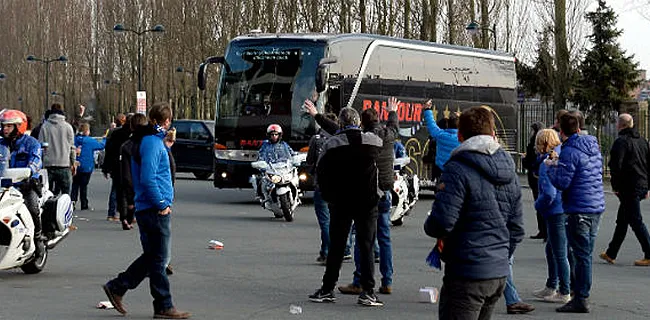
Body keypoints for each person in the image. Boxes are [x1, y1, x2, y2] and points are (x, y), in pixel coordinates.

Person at [424, 106, 525, 320]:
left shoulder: (457, 168)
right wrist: (500, 255)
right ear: (493, 133)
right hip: (497, 271)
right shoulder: (509, 168)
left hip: (467, 269)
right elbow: (516, 228)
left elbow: (442, 222)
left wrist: (430, 226)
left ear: (460, 135)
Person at [102, 102, 190, 319]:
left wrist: (167, 145)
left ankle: (118, 287)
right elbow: (149, 177)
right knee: (158, 260)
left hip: (149, 206)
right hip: (153, 208)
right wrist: (162, 204)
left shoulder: (151, 140)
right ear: (167, 121)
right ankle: (162, 305)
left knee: (153, 257)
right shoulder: (151, 142)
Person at [309, 107, 384, 307]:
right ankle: (368, 291)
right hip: (367, 202)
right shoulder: (372, 141)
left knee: (337, 247)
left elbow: (321, 173)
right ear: (359, 123)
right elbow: (380, 140)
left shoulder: (331, 144)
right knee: (366, 245)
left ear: (341, 124)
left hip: (341, 202)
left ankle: (327, 289)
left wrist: (329, 197)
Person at [338, 97, 399, 296]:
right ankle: (387, 281)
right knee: (384, 237)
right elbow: (394, 127)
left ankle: (359, 280)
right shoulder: (389, 135)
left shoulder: (364, 138)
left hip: (369, 192)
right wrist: (392, 112)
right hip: (387, 191)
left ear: (362, 123)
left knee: (363, 238)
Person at [546, 112, 605, 313]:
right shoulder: (594, 147)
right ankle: (581, 293)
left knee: (580, 256)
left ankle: (581, 297)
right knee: (585, 254)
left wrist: (550, 167)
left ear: (561, 132)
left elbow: (562, 181)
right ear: (579, 128)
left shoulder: (570, 151)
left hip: (579, 207)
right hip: (595, 205)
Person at [599, 113, 650, 267]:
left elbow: (616, 166)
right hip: (641, 184)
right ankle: (611, 253)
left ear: (619, 125)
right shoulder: (643, 141)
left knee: (635, 220)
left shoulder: (621, 142)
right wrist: (647, 186)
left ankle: (649, 252)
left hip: (629, 186)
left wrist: (616, 186)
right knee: (623, 220)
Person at [0, 110, 46, 260]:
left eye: (9, 126)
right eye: (3, 126)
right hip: (4, 185)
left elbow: (36, 161)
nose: (5, 129)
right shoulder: (1, 144)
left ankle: (38, 238)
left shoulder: (31, 143)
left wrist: (28, 171)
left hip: (26, 184)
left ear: (19, 126)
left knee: (32, 207)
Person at [532, 129, 571, 304]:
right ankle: (552, 285)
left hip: (555, 210)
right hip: (564, 207)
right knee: (553, 249)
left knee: (559, 252)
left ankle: (564, 290)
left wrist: (537, 205)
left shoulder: (546, 163)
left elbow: (549, 193)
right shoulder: (562, 155)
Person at [306, 112, 338, 264]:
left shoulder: (316, 139)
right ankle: (340, 250)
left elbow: (310, 161)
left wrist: (315, 173)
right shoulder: (340, 139)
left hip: (322, 185)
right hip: (339, 186)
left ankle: (327, 251)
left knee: (325, 222)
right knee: (338, 221)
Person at [38, 103, 75, 196]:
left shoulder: (45, 127)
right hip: (64, 164)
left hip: (48, 165)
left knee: (47, 194)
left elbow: (40, 146)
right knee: (66, 195)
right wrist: (73, 163)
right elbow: (72, 147)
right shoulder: (68, 127)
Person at [255, 124, 295, 209]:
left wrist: (297, 159)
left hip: (284, 168)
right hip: (271, 169)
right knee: (262, 180)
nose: (274, 136)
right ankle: (263, 197)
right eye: (272, 134)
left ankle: (296, 193)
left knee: (295, 176)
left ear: (279, 135)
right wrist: (260, 163)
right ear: (268, 135)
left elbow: (292, 154)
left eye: (276, 134)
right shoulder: (265, 145)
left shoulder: (284, 145)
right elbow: (260, 156)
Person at [71, 123, 105, 211]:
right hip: (86, 167)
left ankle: (72, 202)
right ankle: (84, 204)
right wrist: (105, 138)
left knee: (75, 185)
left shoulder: (75, 139)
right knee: (83, 186)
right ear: (87, 131)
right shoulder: (90, 141)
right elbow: (101, 146)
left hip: (76, 165)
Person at [102, 113, 129, 222]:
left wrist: (106, 167)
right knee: (126, 189)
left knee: (115, 189)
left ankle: (112, 213)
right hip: (123, 164)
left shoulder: (113, 133)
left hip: (115, 164)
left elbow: (108, 151)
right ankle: (123, 212)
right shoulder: (128, 134)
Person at [422, 100, 461, 174]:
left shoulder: (440, 135)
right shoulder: (464, 139)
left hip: (442, 170)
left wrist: (427, 109)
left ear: (447, 124)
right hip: (458, 171)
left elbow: (431, 124)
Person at [523, 122, 546, 240]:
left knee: (539, 201)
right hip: (537, 174)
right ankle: (543, 229)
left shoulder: (534, 143)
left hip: (535, 175)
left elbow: (531, 160)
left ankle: (543, 229)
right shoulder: (544, 142)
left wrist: (525, 161)